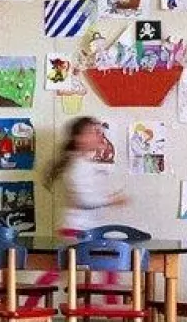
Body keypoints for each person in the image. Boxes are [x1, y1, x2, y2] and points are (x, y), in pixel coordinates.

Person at [36, 116, 128, 287]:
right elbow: (84, 200)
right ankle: (111, 301)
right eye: (93, 132)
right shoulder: (77, 165)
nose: (99, 136)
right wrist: (111, 200)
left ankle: (32, 299)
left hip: (81, 229)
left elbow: (89, 195)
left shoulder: (84, 163)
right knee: (109, 262)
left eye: (99, 132)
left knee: (62, 270)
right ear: (79, 139)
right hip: (77, 231)